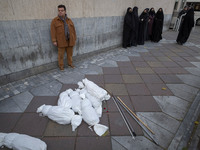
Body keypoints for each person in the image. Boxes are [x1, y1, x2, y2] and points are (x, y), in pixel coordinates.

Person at [51, 4, 76, 71]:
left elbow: (73, 30)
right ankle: (61, 66)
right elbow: (53, 31)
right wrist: (54, 40)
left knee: (70, 54)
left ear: (65, 11)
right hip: (61, 41)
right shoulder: (55, 21)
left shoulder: (69, 20)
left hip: (70, 40)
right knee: (61, 55)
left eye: (62, 10)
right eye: (59, 10)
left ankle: (70, 64)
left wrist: (74, 38)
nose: (60, 12)